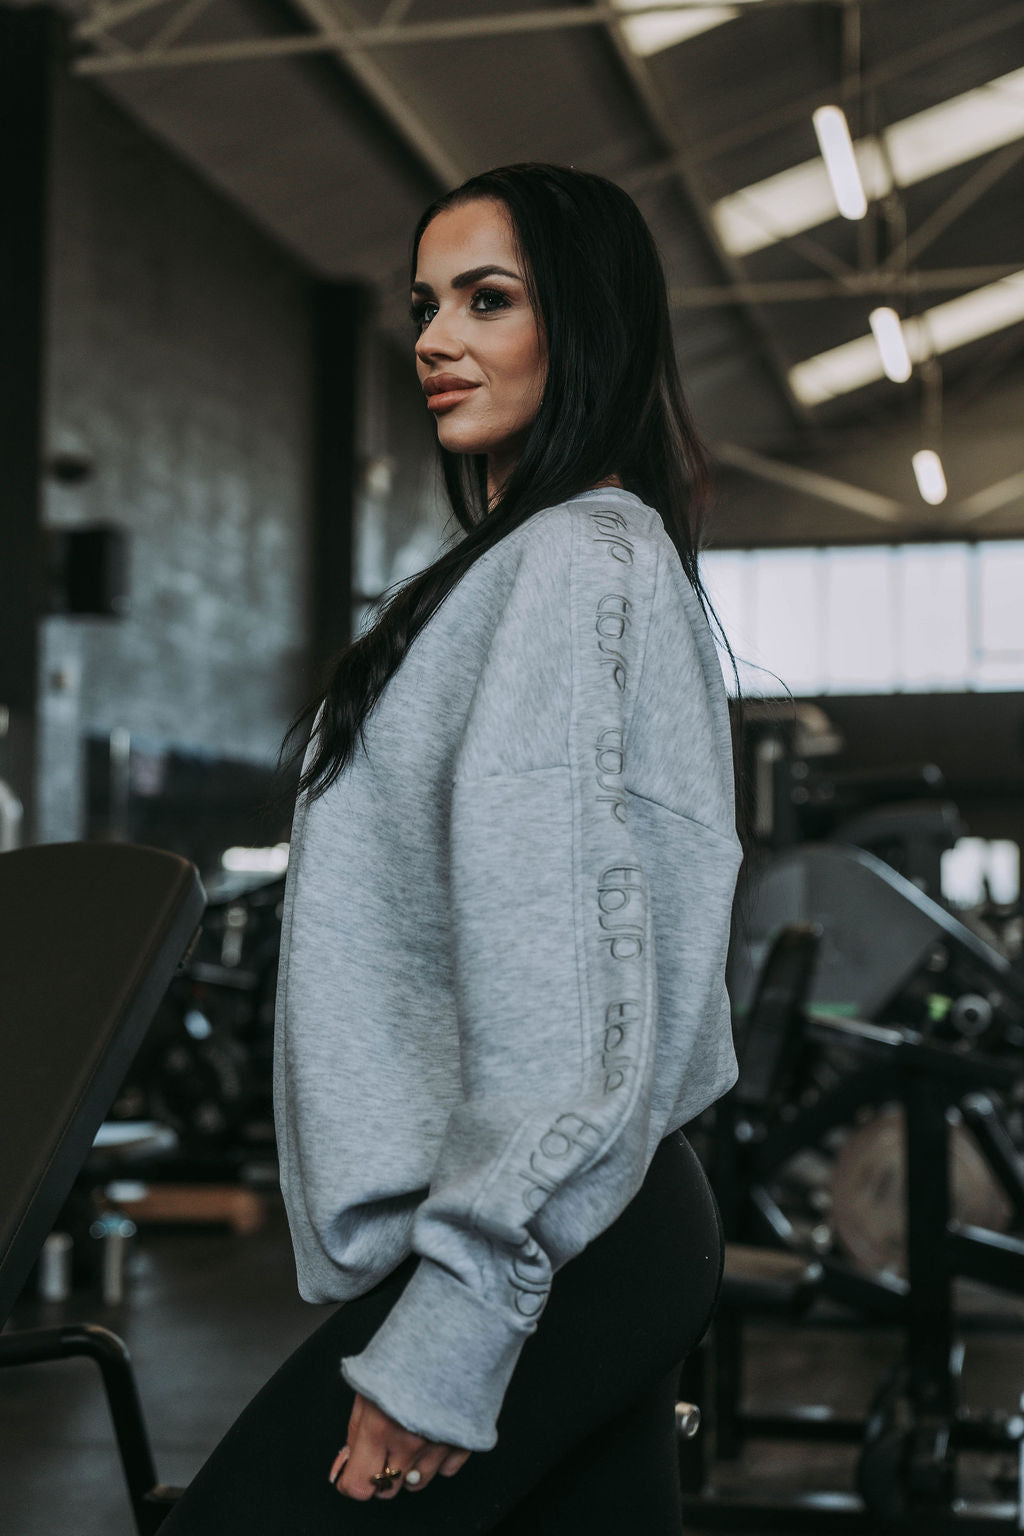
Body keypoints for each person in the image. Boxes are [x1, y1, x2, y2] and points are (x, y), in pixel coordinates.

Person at [161, 161, 747, 1534]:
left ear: (586, 322)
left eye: (488, 300)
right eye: (425, 303)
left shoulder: (577, 563)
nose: (435, 338)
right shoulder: (531, 569)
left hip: (554, 1239)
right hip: (593, 1223)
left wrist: (461, 1314)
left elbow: (571, 974)